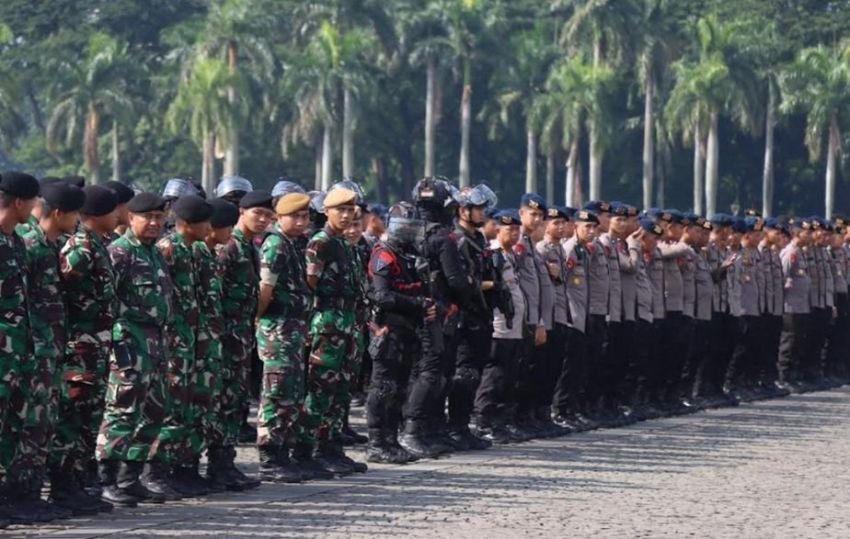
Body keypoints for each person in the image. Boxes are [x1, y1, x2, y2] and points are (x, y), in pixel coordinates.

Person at [97, 193, 178, 506]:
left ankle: (130, 477)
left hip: (156, 342)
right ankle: (106, 477)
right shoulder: (120, 252)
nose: (156, 223)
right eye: (148, 217)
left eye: (160, 217)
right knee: (122, 410)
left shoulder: (154, 253)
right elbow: (106, 300)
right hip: (130, 340)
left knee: (155, 410)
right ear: (131, 218)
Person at [18, 182, 86, 519]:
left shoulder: (49, 246)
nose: (78, 221)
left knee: (42, 422)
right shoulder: (29, 246)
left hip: (48, 349)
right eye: (75, 214)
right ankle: (18, 495)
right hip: (27, 351)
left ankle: (29, 493)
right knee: (26, 423)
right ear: (58, 213)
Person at [56, 186, 119, 508]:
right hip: (80, 347)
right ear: (96, 215)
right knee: (74, 415)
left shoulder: (98, 245)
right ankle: (65, 486)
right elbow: (59, 288)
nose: (118, 216)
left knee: (90, 415)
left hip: (96, 345)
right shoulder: (81, 247)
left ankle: (81, 482)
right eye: (113, 211)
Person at [304, 188, 368, 474]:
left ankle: (333, 447)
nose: (345, 215)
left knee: (342, 388)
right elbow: (310, 284)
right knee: (322, 388)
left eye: (350, 210)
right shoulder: (321, 243)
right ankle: (312, 448)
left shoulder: (346, 244)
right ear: (326, 212)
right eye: (339, 210)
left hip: (348, 322)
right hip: (327, 322)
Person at [365, 202, 432, 463]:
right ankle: (377, 441)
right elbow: (382, 295)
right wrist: (416, 303)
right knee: (383, 386)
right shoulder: (384, 254)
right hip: (387, 329)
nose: (410, 233)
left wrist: (428, 304)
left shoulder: (411, 256)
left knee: (401, 386)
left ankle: (391, 439)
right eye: (405, 228)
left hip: (408, 329)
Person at [155, 195, 213, 496]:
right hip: (173, 340)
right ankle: (157, 470)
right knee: (172, 406)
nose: (209, 228)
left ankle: (184, 466)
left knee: (192, 404)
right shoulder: (168, 250)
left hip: (193, 339)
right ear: (186, 225)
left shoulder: (198, 250)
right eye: (204, 223)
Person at [217, 190, 274, 489]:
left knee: (234, 401)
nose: (263, 220)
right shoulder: (229, 247)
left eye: (268, 216)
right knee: (224, 401)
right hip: (224, 336)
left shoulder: (250, 246)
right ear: (242, 212)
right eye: (257, 214)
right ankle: (218, 465)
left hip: (240, 336)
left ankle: (225, 464)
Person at [256, 192, 313, 482]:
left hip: (292, 329)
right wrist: (258, 319)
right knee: (276, 392)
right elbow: (265, 290)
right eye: (296, 216)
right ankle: (270, 456)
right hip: (277, 329)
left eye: (305, 216)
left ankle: (284, 452)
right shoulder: (276, 245)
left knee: (291, 393)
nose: (301, 221)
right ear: (280, 217)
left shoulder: (293, 244)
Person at [0, 172, 42, 525]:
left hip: (16, 353)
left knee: (12, 425)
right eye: (32, 202)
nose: (35, 208)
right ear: (18, 203)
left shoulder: (15, 242)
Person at [448, 185, 497, 449]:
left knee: (474, 372)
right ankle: (455, 427)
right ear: (463, 210)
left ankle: (462, 425)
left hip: (480, 313)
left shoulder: (477, 238)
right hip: (465, 315)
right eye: (478, 208)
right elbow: (463, 282)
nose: (483, 213)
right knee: (464, 373)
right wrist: (490, 285)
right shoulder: (457, 240)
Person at [474, 209, 527, 443]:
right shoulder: (492, 254)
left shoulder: (510, 255)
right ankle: (483, 421)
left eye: (517, 230)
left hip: (513, 325)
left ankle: (500, 420)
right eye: (509, 229)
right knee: (493, 375)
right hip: (498, 324)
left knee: (508, 375)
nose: (514, 234)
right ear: (498, 230)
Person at [552, 210, 597, 430]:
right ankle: (560, 410)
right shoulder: (569, 249)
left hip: (581, 314)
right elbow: (563, 283)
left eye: (593, 227)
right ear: (576, 226)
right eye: (586, 226)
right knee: (568, 368)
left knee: (578, 367)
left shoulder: (583, 250)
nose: (591, 231)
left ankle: (570, 409)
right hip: (570, 315)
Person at [515, 193, 554, 435]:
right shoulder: (517, 242)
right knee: (521, 371)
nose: (537, 219)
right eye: (533, 214)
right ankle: (516, 418)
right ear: (521, 214)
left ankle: (528, 417)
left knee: (532, 370)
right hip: (523, 319)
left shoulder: (529, 242)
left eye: (540, 215)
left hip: (534, 317)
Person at [777, 219, 813, 392]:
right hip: (790, 305)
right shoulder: (790, 252)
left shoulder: (800, 252)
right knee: (788, 342)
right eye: (807, 232)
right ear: (798, 233)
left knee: (798, 342)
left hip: (801, 305)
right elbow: (782, 276)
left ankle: (793, 376)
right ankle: (783, 377)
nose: (810, 235)